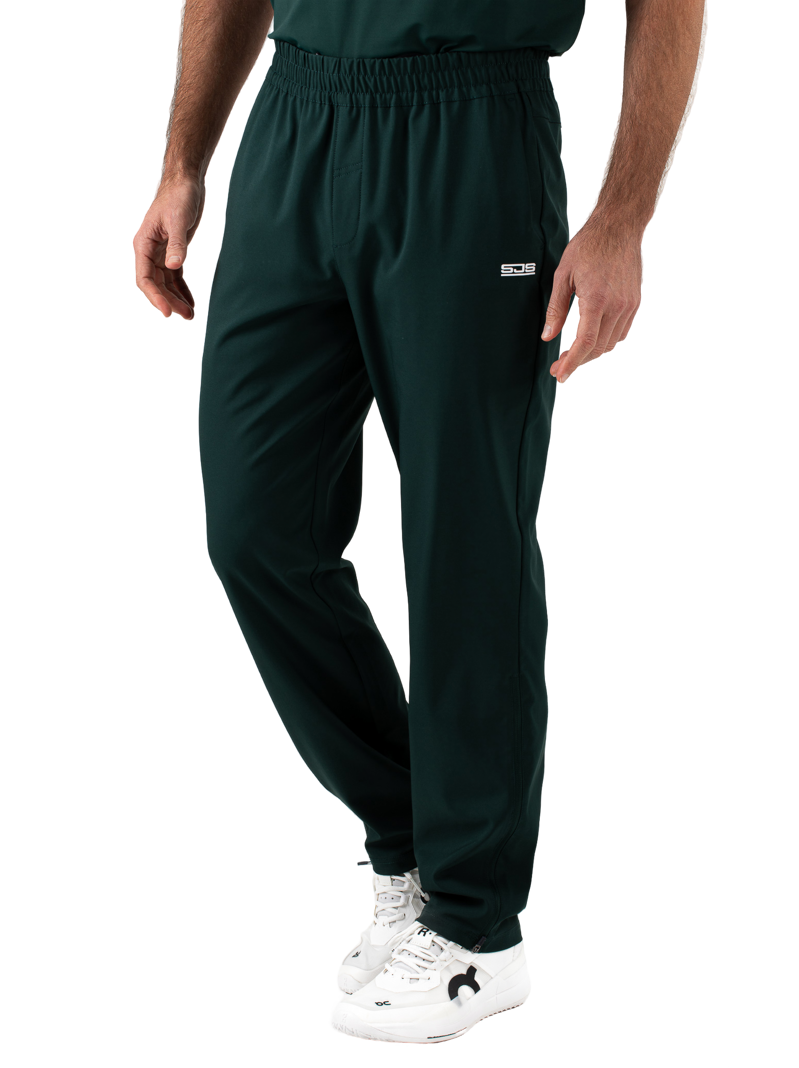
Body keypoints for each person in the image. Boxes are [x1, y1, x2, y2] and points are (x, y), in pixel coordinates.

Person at [133, 0, 707, 1044]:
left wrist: (623, 216)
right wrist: (183, 157)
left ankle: (477, 928)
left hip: (470, 127)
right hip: (297, 115)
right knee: (255, 527)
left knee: (463, 543)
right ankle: (413, 838)